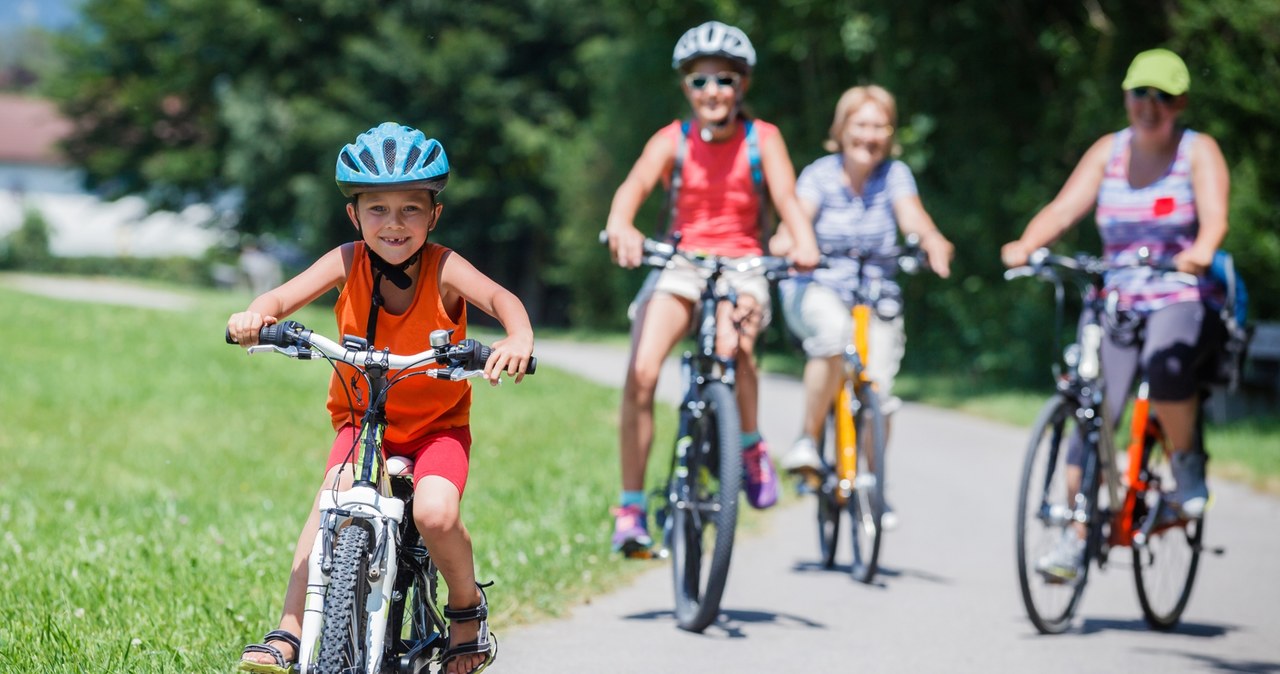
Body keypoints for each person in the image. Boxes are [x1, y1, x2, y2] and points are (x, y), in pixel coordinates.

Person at [229, 122, 534, 674]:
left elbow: (499, 297)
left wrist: (518, 337)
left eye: (411, 209)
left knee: (436, 514)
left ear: (434, 216)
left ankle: (466, 610)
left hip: (437, 429)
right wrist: (255, 315)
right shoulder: (346, 261)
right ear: (354, 215)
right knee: (331, 501)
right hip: (363, 423)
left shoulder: (444, 267)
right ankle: (290, 629)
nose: (394, 223)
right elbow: (280, 297)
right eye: (378, 209)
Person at [1000, 48, 1229, 581]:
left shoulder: (1198, 151)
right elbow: (1063, 209)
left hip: (1177, 291)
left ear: (1180, 103)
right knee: (1091, 405)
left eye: (1162, 96)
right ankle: (1075, 536)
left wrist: (1199, 252)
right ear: (1126, 96)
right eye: (1139, 93)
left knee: (1167, 364)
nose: (1149, 105)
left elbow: (1215, 219)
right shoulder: (1109, 151)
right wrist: (1028, 244)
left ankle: (1187, 465)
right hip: (1117, 298)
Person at [603, 20, 821, 555]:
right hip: (680, 262)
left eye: (724, 79)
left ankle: (748, 445)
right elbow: (633, 186)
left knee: (734, 347)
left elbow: (788, 199)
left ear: (741, 85)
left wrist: (803, 241)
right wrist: (622, 224)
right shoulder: (671, 140)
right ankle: (630, 508)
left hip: (744, 263)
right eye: (700, 81)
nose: (712, 91)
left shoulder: (763, 139)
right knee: (642, 372)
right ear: (686, 88)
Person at [772, 85, 954, 530]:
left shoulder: (895, 176)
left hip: (874, 295)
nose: (869, 135)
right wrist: (791, 243)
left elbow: (912, 217)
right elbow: (795, 221)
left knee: (880, 392)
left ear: (889, 134)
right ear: (841, 129)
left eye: (879, 126)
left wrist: (930, 240)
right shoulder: (818, 175)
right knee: (833, 337)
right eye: (861, 125)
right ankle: (808, 439)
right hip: (817, 286)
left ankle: (872, 485)